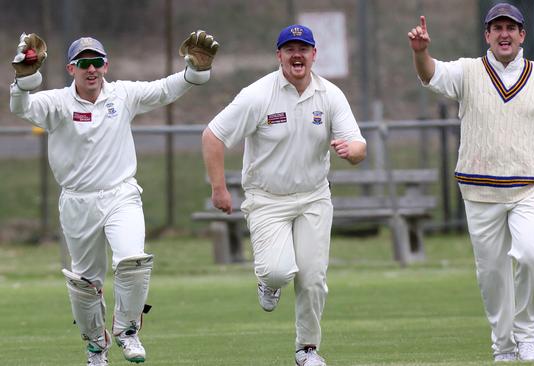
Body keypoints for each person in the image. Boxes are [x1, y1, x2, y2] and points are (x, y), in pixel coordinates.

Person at [10, 30, 219, 365]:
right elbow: (21, 108)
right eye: (84, 64)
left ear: (106, 66)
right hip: (77, 201)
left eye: (97, 63)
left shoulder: (122, 95)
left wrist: (194, 71)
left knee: (132, 260)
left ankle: (128, 330)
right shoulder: (56, 103)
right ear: (71, 69)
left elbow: (164, 89)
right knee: (84, 283)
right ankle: (96, 346)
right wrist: (23, 79)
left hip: (121, 194)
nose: (91, 69)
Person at [408, 3, 534, 363]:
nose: (504, 34)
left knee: (533, 257)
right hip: (480, 190)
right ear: (487, 35)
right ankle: (503, 347)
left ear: (522, 35)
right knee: (493, 274)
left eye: (511, 28)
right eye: (497, 28)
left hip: (530, 186)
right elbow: (431, 75)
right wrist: (421, 52)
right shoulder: (468, 72)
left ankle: (527, 336)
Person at [202, 24, 366, 366]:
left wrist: (351, 152)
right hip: (266, 198)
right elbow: (213, 136)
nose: (297, 55)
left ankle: (307, 350)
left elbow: (359, 146)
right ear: (279, 56)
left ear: (314, 54)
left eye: (303, 49)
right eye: (289, 49)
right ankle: (269, 282)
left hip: (313, 196)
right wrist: (219, 188)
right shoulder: (258, 95)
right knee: (278, 271)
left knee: (312, 277)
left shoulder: (330, 95)